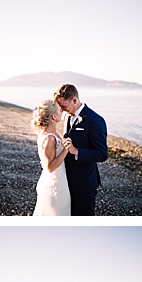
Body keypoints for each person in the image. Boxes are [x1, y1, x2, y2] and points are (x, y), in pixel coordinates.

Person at [55, 84, 108, 216]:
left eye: (63, 106)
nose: (61, 110)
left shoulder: (96, 120)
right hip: (67, 179)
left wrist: (76, 151)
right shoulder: (68, 116)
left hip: (85, 182)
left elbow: (102, 154)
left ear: (74, 100)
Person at [31, 99, 71, 216]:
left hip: (60, 181)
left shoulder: (52, 133)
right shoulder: (49, 138)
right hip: (55, 187)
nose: (62, 111)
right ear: (53, 117)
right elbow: (50, 167)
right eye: (60, 110)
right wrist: (66, 150)